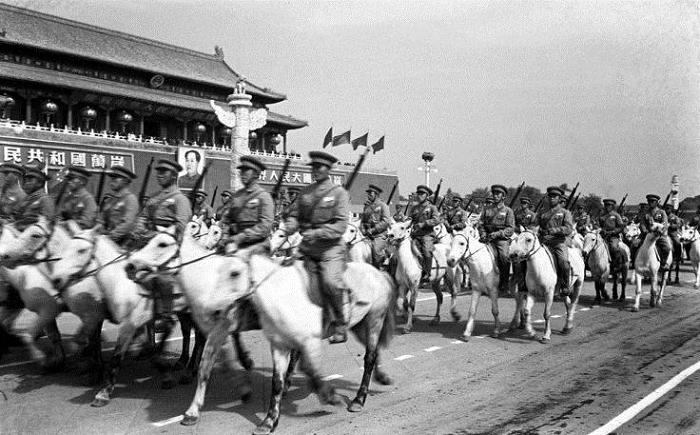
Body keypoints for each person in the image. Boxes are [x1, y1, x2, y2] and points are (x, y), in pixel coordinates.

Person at [284, 151, 351, 343]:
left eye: (319, 167)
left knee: (330, 282)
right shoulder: (305, 192)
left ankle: (340, 324)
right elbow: (295, 215)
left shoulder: (339, 193)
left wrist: (317, 233)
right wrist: (290, 225)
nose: (315, 170)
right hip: (306, 249)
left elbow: (341, 225)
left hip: (330, 249)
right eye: (313, 167)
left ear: (328, 169)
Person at [134, 159, 192, 327]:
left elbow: (181, 226)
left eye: (164, 172)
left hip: (169, 245)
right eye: (158, 172)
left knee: (163, 277)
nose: (159, 175)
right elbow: (142, 218)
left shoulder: (180, 199)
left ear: (173, 176)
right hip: (150, 242)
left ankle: (166, 315)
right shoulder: (153, 198)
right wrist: (138, 231)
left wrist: (160, 238)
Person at [218, 155, 274, 251]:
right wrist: (224, 236)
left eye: (246, 170)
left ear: (256, 174)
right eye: (241, 171)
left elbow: (265, 226)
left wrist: (241, 237)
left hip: (258, 246)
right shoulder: (236, 196)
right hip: (235, 244)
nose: (242, 174)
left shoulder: (264, 197)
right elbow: (226, 219)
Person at [538, 186, 574, 296]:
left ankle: (565, 285)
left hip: (558, 242)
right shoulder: (542, 212)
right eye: (550, 196)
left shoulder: (565, 212)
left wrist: (555, 230)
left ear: (559, 198)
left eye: (555, 196)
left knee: (563, 262)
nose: (552, 198)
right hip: (543, 242)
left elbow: (569, 229)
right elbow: (535, 224)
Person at [479, 184, 515, 295]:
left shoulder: (508, 211)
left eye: (498, 194)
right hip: (487, 238)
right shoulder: (486, 210)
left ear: (503, 196)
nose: (495, 196)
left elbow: (510, 229)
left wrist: (498, 234)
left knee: (504, 257)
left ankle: (504, 284)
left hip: (501, 240)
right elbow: (481, 224)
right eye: (494, 193)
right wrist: (483, 234)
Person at [408, 185, 440, 285]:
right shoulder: (414, 208)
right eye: (418, 193)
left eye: (422, 194)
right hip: (415, 234)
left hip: (427, 234)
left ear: (427, 196)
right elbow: (410, 219)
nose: (419, 195)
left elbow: (436, 220)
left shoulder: (432, 207)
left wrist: (424, 223)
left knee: (426, 250)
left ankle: (427, 272)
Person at [98, 166, 139, 247]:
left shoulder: (130, 199)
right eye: (112, 178)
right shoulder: (109, 200)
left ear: (125, 181)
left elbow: (128, 223)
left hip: (122, 242)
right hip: (107, 238)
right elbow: (101, 220)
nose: (112, 181)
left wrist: (110, 236)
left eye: (116, 178)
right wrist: (101, 230)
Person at [360, 184, 391, 269]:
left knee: (376, 250)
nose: (368, 195)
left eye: (371, 193)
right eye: (368, 193)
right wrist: (362, 229)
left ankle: (378, 269)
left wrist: (373, 230)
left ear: (376, 194)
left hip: (379, 235)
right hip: (367, 234)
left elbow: (386, 221)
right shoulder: (367, 206)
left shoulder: (383, 205)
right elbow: (363, 220)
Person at [639, 194, 671, 274]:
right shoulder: (645, 213)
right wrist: (645, 231)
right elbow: (642, 224)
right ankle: (635, 263)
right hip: (646, 235)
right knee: (634, 245)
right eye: (649, 201)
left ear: (657, 202)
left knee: (666, 247)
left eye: (653, 201)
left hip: (658, 235)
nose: (650, 203)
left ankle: (663, 264)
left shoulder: (662, 212)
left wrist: (660, 230)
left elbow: (665, 224)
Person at [16, 163, 54, 228]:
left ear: (39, 183)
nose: (26, 183)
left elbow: (48, 223)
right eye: (25, 181)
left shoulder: (45, 199)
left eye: (30, 181)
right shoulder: (26, 198)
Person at [512, 196, 537, 293]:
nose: (523, 205)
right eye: (522, 203)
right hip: (518, 236)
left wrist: (527, 230)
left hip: (528, 238)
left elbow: (534, 226)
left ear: (528, 204)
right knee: (517, 262)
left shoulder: (532, 214)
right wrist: (518, 230)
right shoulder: (516, 213)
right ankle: (520, 285)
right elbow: (513, 224)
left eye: (525, 203)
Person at [598, 199, 625, 270]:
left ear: (612, 206)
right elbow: (599, 225)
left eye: (609, 205)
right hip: (603, 236)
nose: (607, 207)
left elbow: (621, 227)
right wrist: (602, 230)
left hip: (613, 237)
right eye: (606, 205)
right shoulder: (602, 215)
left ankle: (616, 264)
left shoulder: (616, 215)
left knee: (613, 247)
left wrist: (613, 231)